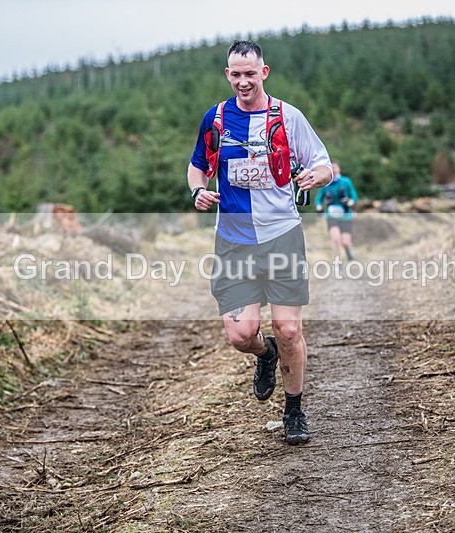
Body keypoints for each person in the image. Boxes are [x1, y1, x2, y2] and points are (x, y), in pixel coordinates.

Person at [187, 40, 332, 445]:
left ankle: (294, 411)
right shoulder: (215, 119)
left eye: (250, 73)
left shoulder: (286, 116)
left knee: (288, 329)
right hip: (233, 240)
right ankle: (264, 355)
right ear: (227, 75)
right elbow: (197, 168)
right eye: (235, 74)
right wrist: (197, 192)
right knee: (240, 335)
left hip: (281, 235)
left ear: (263, 73)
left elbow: (323, 164)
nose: (242, 81)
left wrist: (313, 178)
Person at [315, 161, 358, 261]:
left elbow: (354, 195)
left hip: (345, 214)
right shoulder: (325, 184)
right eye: (331, 167)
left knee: (345, 242)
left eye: (335, 167)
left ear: (339, 169)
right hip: (331, 215)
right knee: (335, 239)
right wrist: (319, 207)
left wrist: (351, 202)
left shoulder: (346, 181)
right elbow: (319, 199)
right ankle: (337, 262)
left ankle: (349, 254)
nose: (334, 169)